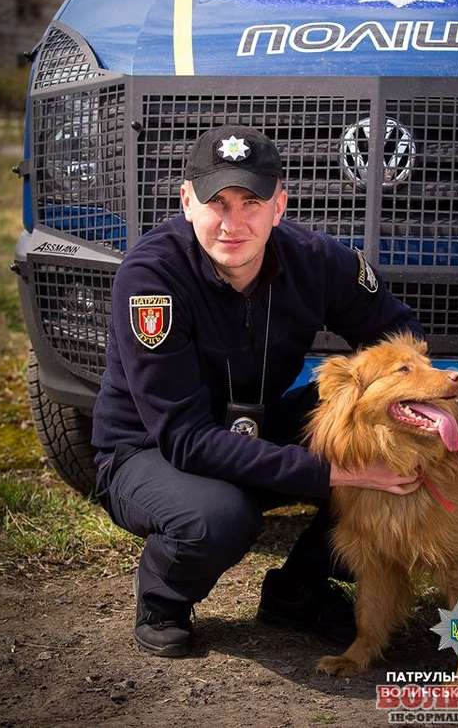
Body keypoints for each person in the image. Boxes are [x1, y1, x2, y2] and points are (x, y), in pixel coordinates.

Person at [92, 125, 424, 658]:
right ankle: (162, 599)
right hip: (151, 450)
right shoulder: (151, 278)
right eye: (217, 203)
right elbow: (185, 439)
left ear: (279, 206)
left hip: (259, 425)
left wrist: (377, 402)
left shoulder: (317, 260)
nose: (233, 223)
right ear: (186, 202)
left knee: (390, 442)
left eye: (251, 203)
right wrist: (336, 470)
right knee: (219, 518)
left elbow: (397, 333)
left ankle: (299, 590)